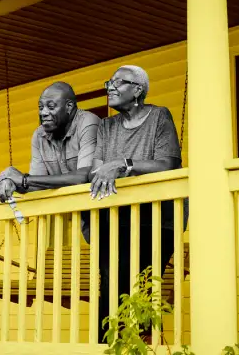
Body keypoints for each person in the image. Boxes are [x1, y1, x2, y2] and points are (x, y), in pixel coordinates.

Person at [88, 65, 189, 342]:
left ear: (138, 90)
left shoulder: (159, 116)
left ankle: (143, 345)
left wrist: (124, 165)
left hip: (157, 219)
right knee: (110, 286)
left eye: (118, 82)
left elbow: (168, 164)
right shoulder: (106, 126)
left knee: (142, 286)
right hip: (115, 218)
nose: (110, 86)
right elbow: (97, 171)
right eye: (109, 81)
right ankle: (107, 346)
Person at [0, 81, 100, 201]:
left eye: (51, 107)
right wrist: (12, 181)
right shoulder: (39, 135)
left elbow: (83, 176)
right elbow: (37, 185)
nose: (43, 113)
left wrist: (24, 179)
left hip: (100, 209)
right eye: (41, 107)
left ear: (69, 107)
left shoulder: (88, 122)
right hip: (68, 212)